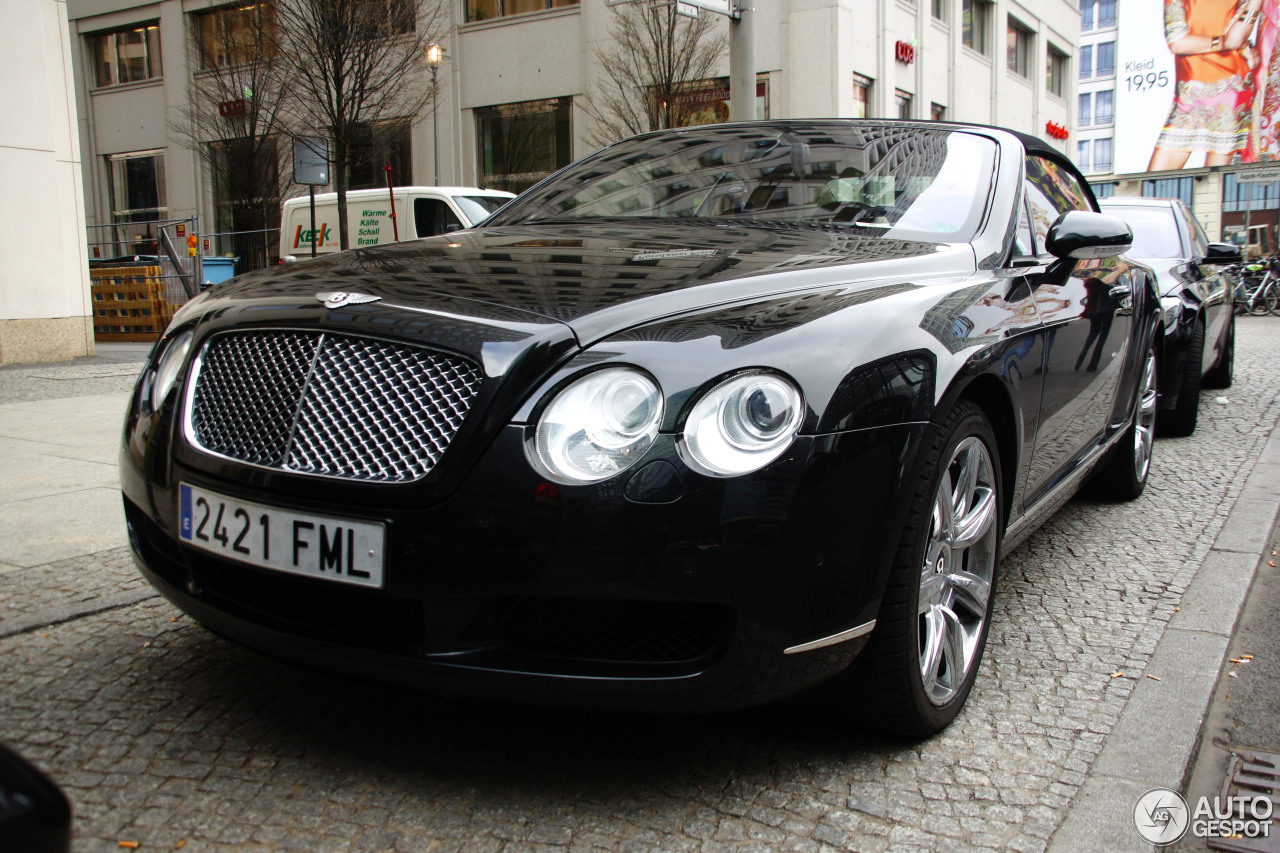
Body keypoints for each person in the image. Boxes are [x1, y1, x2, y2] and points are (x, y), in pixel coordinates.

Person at [1148, 0, 1264, 170]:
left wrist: (1238, 43)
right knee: (1152, 185)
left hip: (1231, 90)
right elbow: (1178, 41)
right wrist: (1225, 43)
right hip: (1190, 92)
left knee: (1211, 187)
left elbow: (1237, 37)